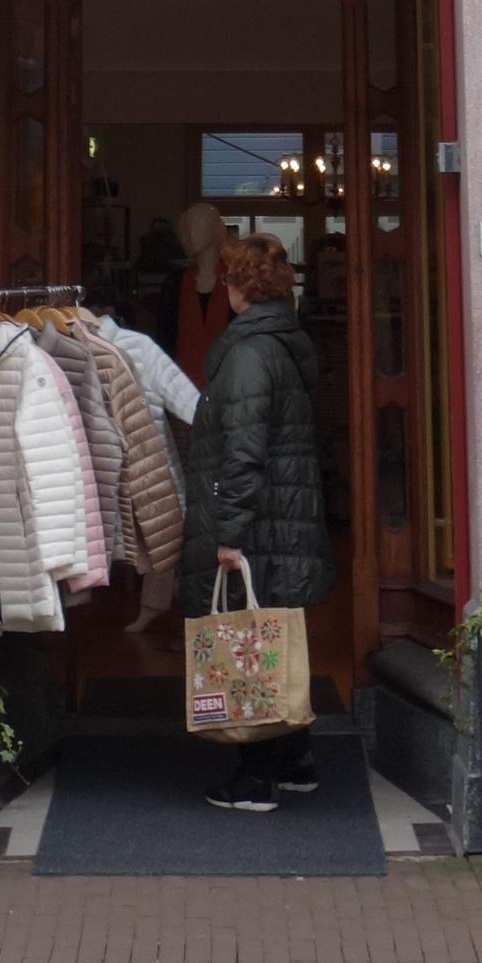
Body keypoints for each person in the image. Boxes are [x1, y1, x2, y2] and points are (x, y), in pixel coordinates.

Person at [180, 235, 333, 813]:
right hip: (282, 517)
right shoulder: (284, 344)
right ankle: (296, 760)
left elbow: (244, 451)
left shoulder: (248, 353)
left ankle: (256, 778)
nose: (225, 286)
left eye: (229, 278)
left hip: (260, 521)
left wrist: (230, 535)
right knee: (273, 634)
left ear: (240, 285)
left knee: (251, 645)